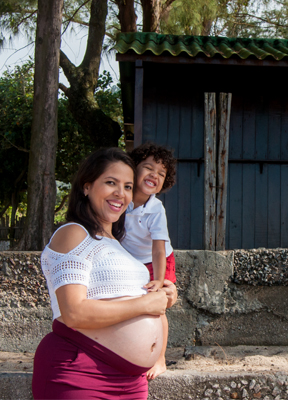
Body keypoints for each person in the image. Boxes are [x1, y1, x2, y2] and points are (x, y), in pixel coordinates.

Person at [32, 147, 178, 400]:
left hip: (131, 382)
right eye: (111, 182)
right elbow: (74, 312)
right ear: (87, 186)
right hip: (81, 372)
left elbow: (127, 297)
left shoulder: (118, 246)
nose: (121, 193)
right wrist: (146, 304)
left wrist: (164, 295)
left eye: (128, 186)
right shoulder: (74, 233)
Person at [121, 142, 177, 380]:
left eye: (161, 173)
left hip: (158, 261)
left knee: (158, 307)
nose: (155, 174)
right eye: (148, 168)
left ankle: (160, 358)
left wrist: (158, 280)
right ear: (133, 169)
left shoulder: (156, 209)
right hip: (129, 261)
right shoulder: (120, 200)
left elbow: (158, 248)